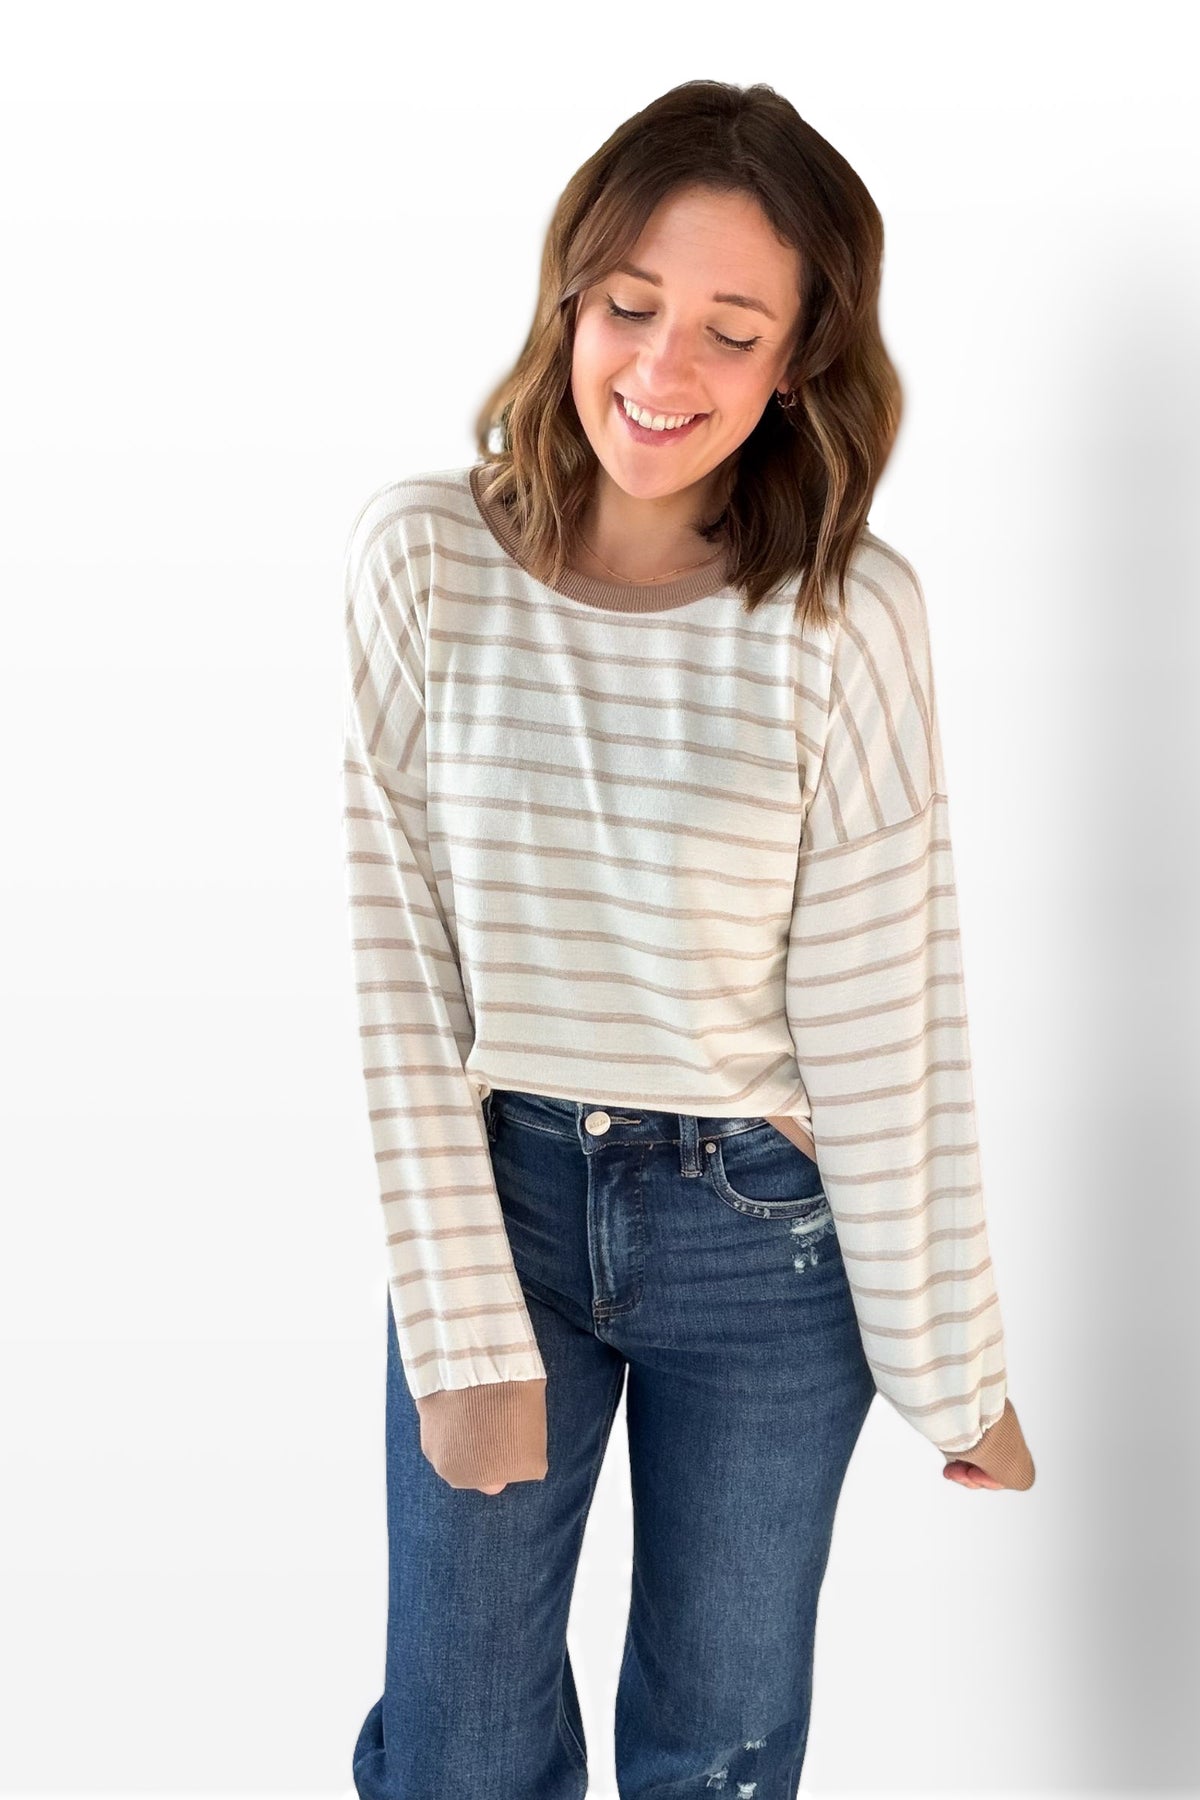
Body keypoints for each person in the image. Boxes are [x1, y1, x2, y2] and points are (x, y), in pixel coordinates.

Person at [340, 78, 1036, 1800]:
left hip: (765, 1240)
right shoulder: (424, 559)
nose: (662, 370)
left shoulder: (849, 611)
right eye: (631, 307)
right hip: (496, 1199)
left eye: (731, 331)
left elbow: (892, 1002)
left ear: (799, 361)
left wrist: (956, 1373)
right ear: (570, 295)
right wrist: (464, 1337)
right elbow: (396, 968)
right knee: (456, 1758)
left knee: (716, 1756)